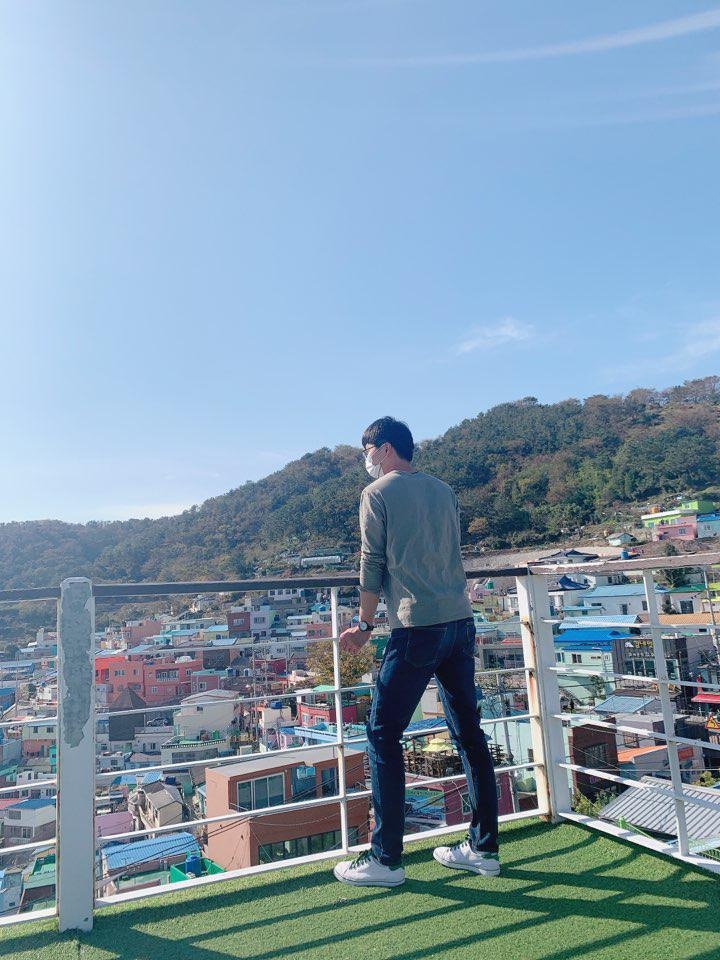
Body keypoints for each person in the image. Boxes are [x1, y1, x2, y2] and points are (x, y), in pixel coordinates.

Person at [333, 416, 499, 888]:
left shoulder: (376, 494)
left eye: (367, 449)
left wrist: (364, 625)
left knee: (383, 733)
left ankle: (385, 859)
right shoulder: (443, 490)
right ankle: (483, 849)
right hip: (459, 622)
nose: (365, 458)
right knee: (469, 734)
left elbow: (372, 561)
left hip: (417, 626)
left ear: (385, 448)